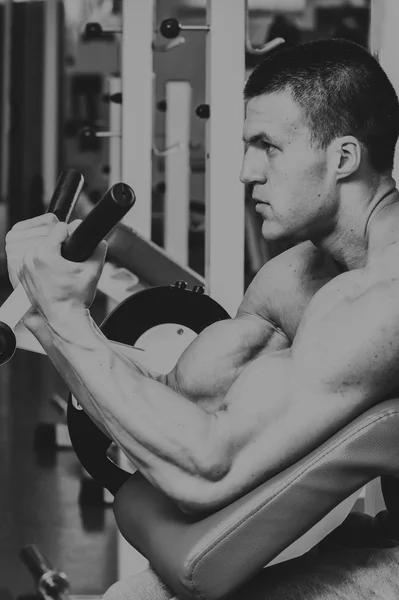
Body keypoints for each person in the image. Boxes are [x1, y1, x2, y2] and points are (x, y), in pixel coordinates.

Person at [6, 39, 399, 598]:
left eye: (267, 146)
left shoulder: (384, 299)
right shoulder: (295, 276)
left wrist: (62, 314)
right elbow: (195, 396)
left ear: (343, 158)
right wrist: (48, 312)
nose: (245, 171)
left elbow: (207, 471)